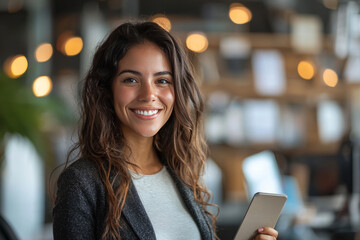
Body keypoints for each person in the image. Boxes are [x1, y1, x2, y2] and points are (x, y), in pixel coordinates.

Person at [52, 21, 279, 240]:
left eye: (162, 81)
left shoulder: (182, 171)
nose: (148, 94)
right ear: (107, 89)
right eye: (131, 79)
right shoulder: (81, 183)